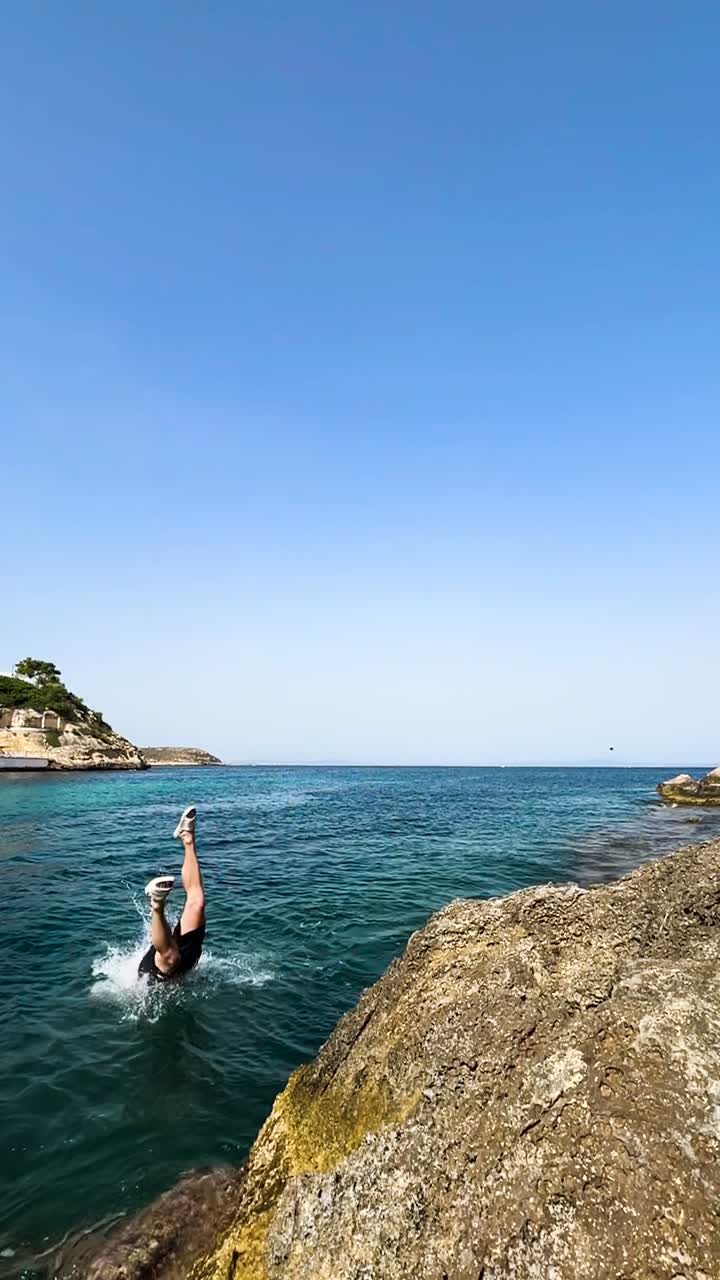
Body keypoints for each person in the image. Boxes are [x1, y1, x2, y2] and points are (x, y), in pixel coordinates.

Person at [138, 805, 206, 983]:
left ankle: (187, 837)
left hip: (182, 963)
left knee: (196, 903)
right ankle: (157, 904)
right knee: (171, 957)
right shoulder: (143, 987)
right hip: (156, 973)